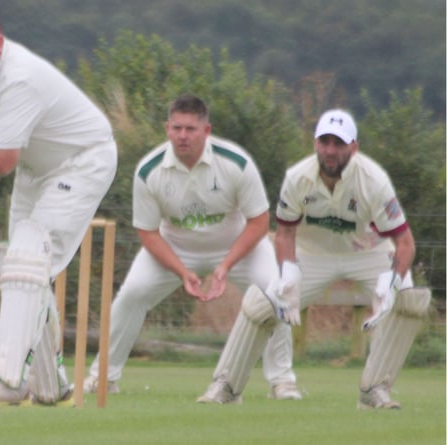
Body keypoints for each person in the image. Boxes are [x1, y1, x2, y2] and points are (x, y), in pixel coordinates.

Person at [0, 7, 117, 406]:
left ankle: (7, 380)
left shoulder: (19, 78)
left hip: (82, 160)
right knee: (22, 265)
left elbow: (1, 161)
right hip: (35, 168)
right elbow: (1, 134)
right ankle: (49, 383)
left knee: (27, 251)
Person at [84, 95, 301, 401]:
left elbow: (259, 221)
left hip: (236, 246)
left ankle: (282, 381)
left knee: (275, 291)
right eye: (177, 128)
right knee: (132, 294)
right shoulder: (149, 171)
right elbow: (147, 231)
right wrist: (183, 271)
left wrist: (224, 266)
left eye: (190, 129)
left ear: (206, 130)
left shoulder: (235, 162)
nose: (183, 136)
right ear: (167, 129)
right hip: (175, 248)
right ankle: (103, 377)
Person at [272, 108, 431, 409]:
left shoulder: (374, 179)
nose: (331, 150)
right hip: (314, 255)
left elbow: (405, 243)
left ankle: (375, 388)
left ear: (353, 147)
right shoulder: (296, 177)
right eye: (325, 141)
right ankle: (278, 381)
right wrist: (287, 271)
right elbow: (283, 234)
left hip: (368, 252)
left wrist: (393, 281)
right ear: (315, 143)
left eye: (339, 143)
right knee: (272, 299)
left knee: (403, 300)